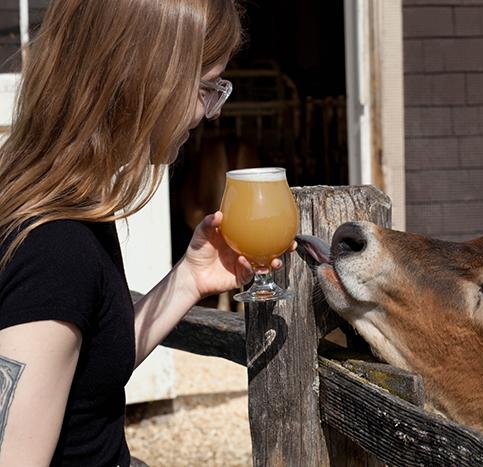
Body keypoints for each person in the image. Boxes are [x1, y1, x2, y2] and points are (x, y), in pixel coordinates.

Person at [0, 1, 287, 465]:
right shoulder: (56, 250)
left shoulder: (66, 211)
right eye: (205, 87)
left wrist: (189, 279)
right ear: (146, 79)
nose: (210, 112)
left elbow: (85, 379)